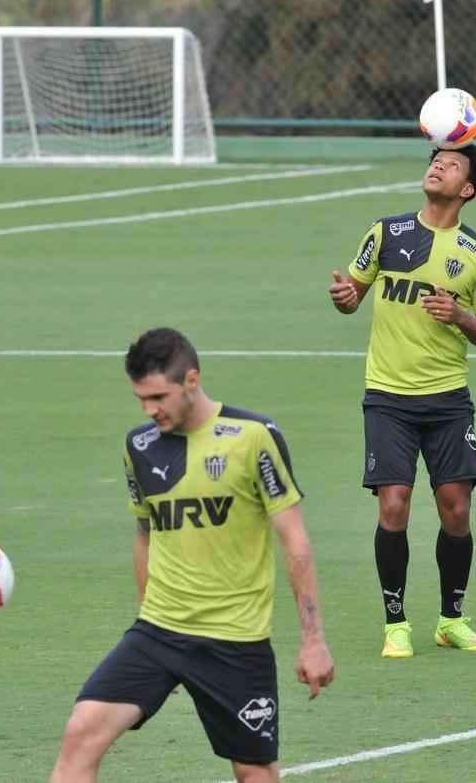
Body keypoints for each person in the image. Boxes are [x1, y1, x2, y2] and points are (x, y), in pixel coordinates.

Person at [51, 327, 334, 783]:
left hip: (235, 639)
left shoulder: (252, 437)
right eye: (141, 399)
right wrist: (146, 615)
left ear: (192, 380)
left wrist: (313, 640)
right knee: (80, 734)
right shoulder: (139, 447)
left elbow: (294, 539)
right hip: (159, 632)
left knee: (254, 771)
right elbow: (145, 535)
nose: (149, 410)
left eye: (158, 397)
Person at [327, 144, 476, 659]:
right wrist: (345, 299)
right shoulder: (385, 233)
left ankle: (451, 619)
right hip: (388, 398)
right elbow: (352, 294)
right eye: (436, 159)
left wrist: (461, 317)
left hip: (448, 400)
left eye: (452, 164)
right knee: (394, 504)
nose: (438, 165)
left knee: (456, 510)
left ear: (467, 189)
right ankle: (396, 623)